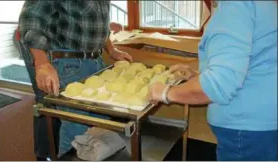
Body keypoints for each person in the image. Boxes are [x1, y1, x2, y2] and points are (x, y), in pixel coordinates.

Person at [149, 1, 277, 161]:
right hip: (263, 124)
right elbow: (252, 62)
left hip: (245, 132)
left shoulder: (236, 5)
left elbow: (219, 85)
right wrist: (198, 76)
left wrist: (166, 92)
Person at [18, 1, 133, 159]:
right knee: (77, 127)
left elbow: (98, 24)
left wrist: (112, 50)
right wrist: (42, 63)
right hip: (70, 63)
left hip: (95, 60)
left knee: (100, 123)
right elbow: (32, 19)